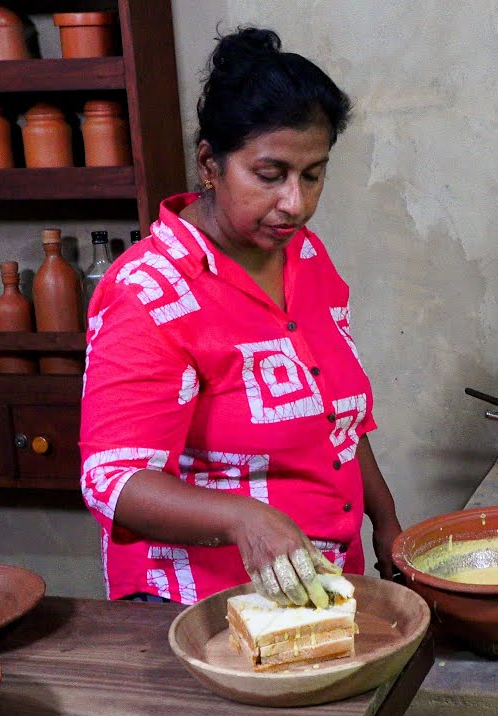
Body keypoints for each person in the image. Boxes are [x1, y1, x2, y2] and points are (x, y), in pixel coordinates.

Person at [78, 27, 401, 607]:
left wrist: (387, 521)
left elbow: (338, 419)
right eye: (270, 175)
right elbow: (114, 482)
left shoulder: (306, 257)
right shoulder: (150, 291)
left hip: (320, 585)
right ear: (210, 163)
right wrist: (242, 517)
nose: (295, 203)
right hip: (200, 605)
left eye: (313, 174)